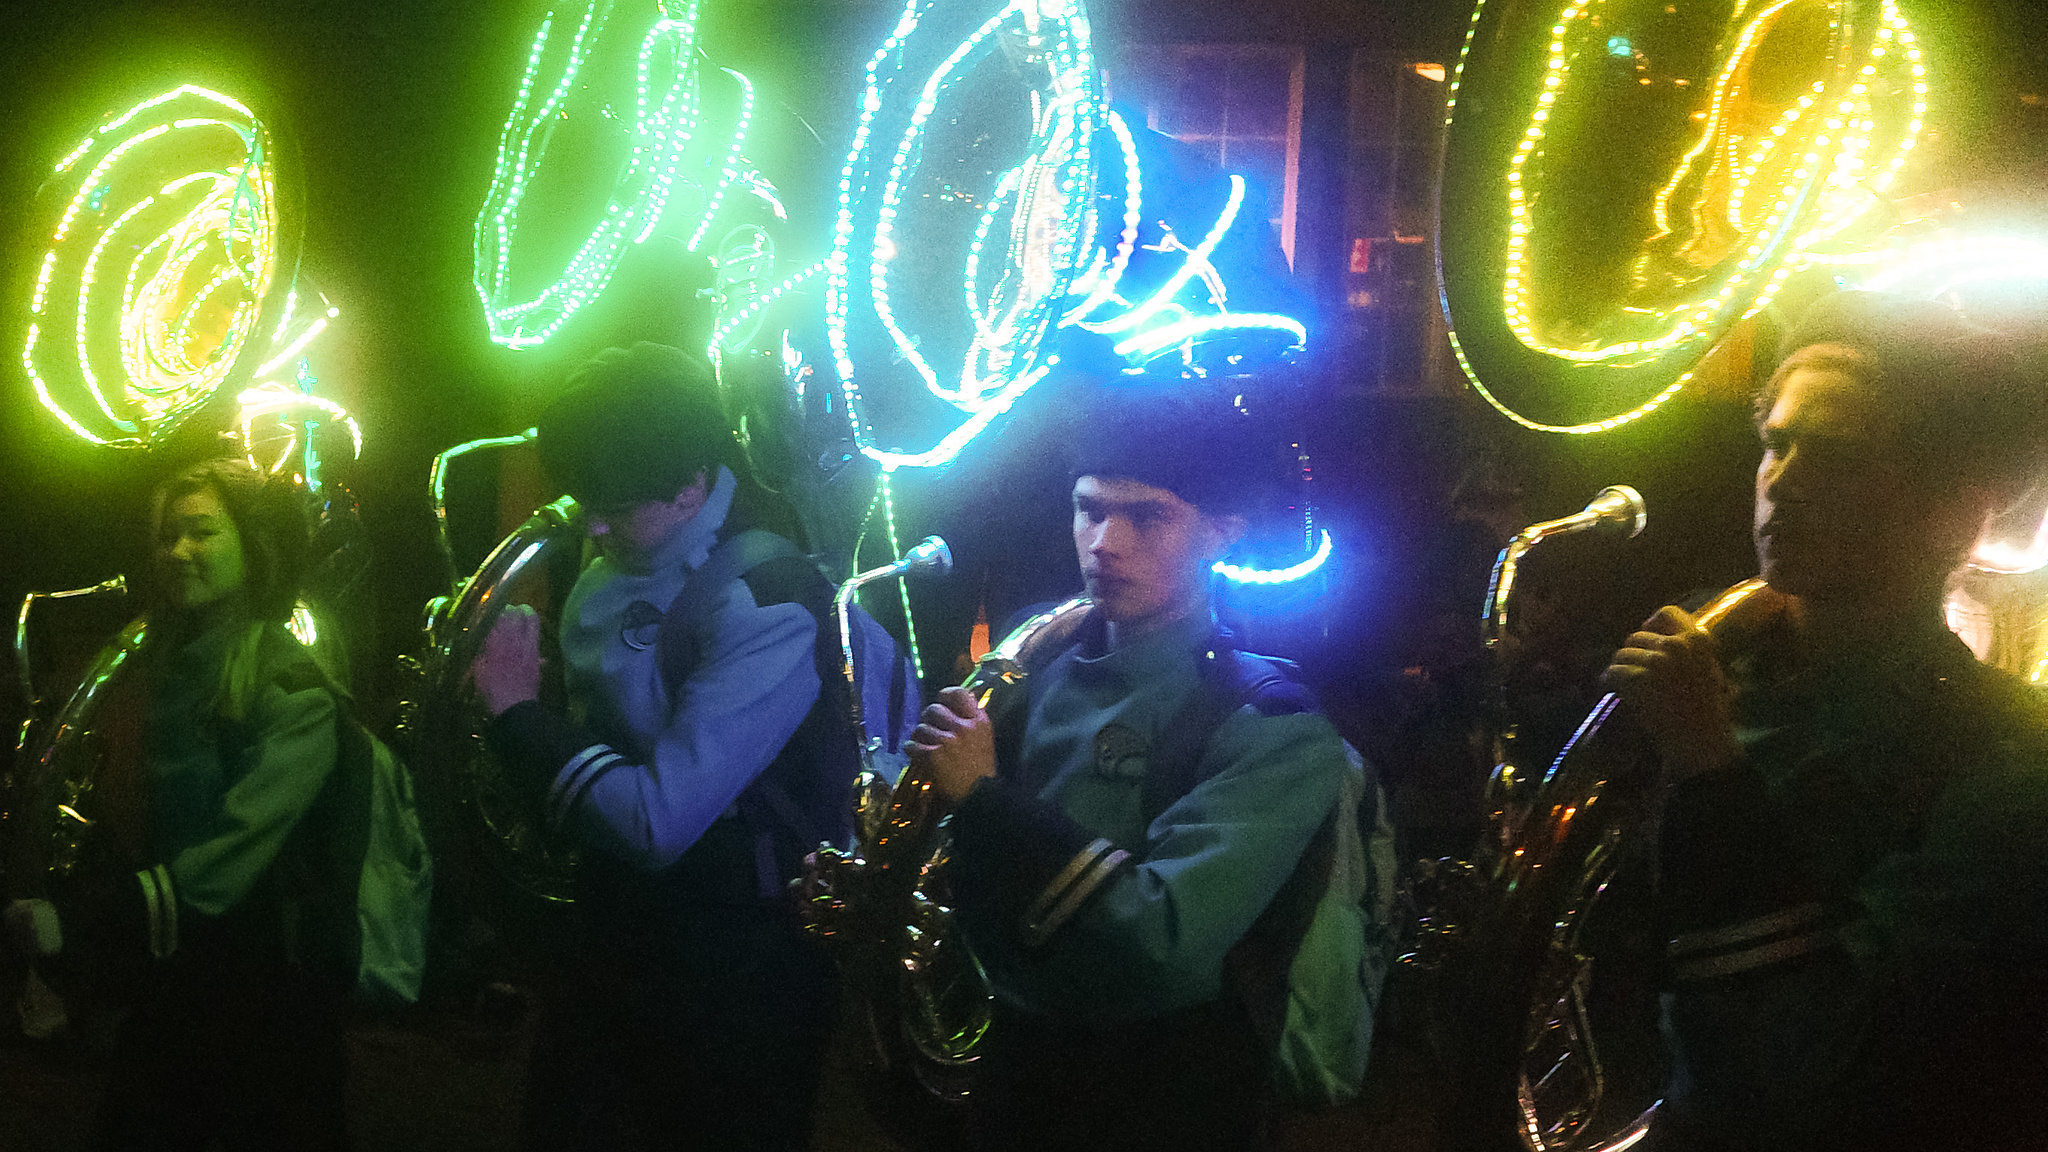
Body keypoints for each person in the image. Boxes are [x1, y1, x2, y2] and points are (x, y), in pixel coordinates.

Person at [1603, 293, 2048, 1151]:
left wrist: (1707, 768)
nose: (1783, 480)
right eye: (1775, 442)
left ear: (1953, 513)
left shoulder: (2013, 758)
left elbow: (1816, 1069)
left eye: (1837, 455)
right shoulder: (1720, 674)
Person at [908, 391, 1386, 1152]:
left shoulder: (1274, 722)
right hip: (1013, 1067)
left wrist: (985, 801)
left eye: (1149, 517)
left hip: (1164, 1094)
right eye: (1088, 509)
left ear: (1223, 534)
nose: (1104, 543)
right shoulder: (1032, 670)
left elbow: (1159, 940)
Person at [471, 342, 842, 1152]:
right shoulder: (631, 542)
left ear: (692, 486)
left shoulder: (767, 602)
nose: (590, 525)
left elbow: (655, 822)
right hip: (624, 935)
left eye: (613, 504)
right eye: (582, 496)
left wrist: (515, 715)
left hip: (733, 970)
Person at [5, 458, 357, 1150]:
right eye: (168, 535)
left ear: (255, 546)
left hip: (262, 998)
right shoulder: (167, 659)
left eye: (202, 533)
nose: (177, 553)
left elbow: (229, 865)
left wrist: (79, 923)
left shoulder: (289, 682)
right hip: (179, 977)